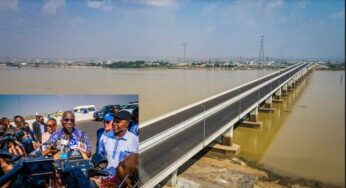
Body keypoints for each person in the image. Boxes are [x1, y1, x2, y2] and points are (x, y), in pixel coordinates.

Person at [98, 110, 139, 184]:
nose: (114, 124)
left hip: (124, 181)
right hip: (105, 178)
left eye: (118, 121)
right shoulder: (105, 137)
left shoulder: (135, 140)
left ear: (127, 123)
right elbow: (100, 155)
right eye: (114, 121)